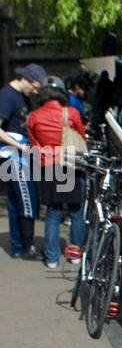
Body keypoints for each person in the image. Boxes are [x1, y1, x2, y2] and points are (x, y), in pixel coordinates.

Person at [26, 76, 86, 270]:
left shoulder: (33, 117)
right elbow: (81, 137)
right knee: (76, 211)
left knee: (53, 213)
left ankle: (52, 258)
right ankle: (75, 255)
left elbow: (34, 144)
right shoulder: (71, 113)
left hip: (47, 166)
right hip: (70, 164)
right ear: (61, 94)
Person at [0, 61, 45, 258]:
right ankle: (27, 247)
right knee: (28, 199)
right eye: (34, 87)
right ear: (26, 80)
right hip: (13, 155)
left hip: (16, 154)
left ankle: (18, 246)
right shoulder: (8, 96)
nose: (34, 91)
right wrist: (20, 147)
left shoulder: (19, 96)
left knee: (16, 201)